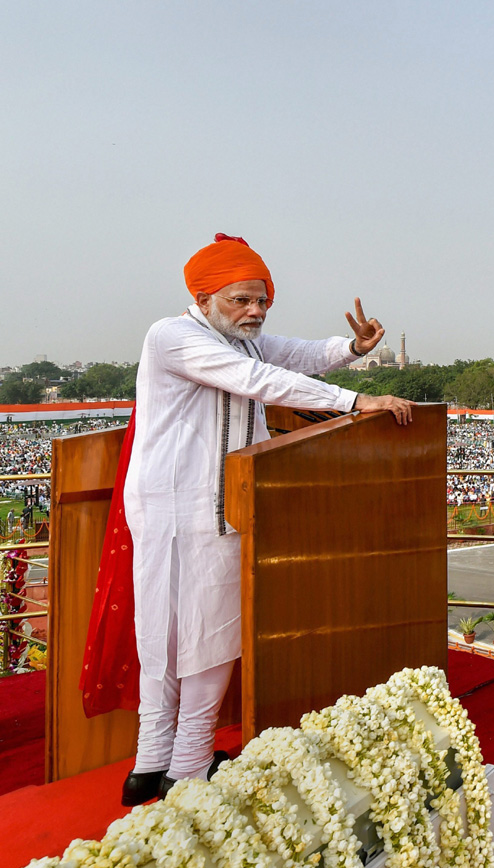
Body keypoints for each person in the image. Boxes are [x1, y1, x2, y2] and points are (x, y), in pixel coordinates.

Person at [120, 234, 414, 807]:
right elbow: (259, 382)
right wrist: (356, 402)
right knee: (180, 630)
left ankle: (166, 763)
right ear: (204, 297)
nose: (254, 312)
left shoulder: (241, 339)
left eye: (262, 301)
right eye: (241, 300)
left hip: (216, 506)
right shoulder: (174, 336)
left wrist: (352, 348)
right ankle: (173, 762)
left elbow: (298, 355)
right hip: (178, 507)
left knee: (193, 630)